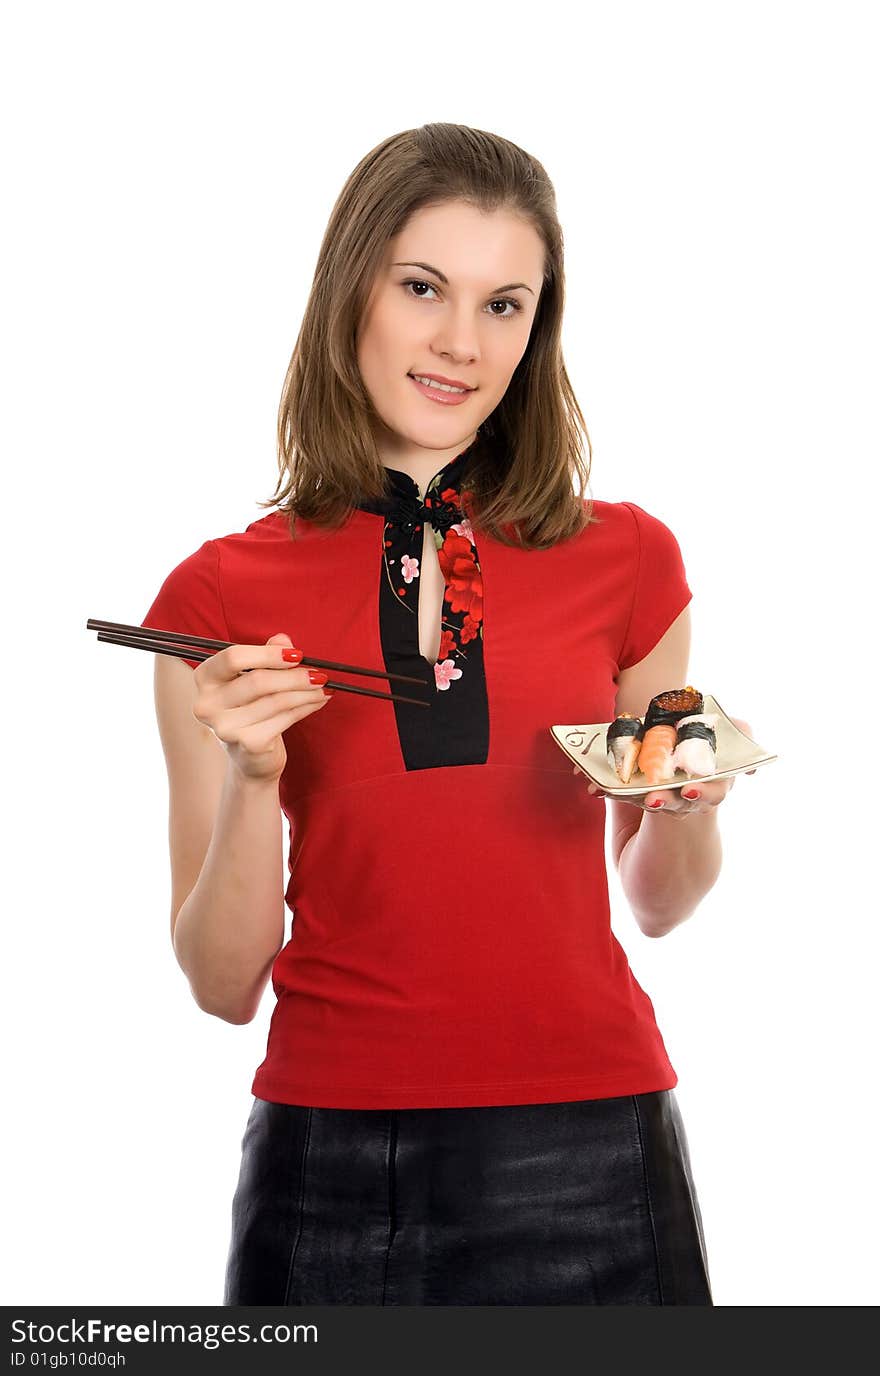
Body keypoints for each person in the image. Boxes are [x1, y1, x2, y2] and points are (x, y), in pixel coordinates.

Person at [140, 122, 754, 1306]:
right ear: (350, 291)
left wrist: (687, 798)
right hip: (331, 1155)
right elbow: (223, 984)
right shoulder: (215, 596)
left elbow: (660, 901)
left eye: (505, 304)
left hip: (596, 1140)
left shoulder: (626, 557)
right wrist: (254, 772)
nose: (461, 343)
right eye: (423, 286)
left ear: (538, 329)